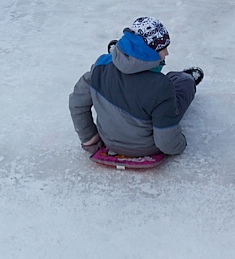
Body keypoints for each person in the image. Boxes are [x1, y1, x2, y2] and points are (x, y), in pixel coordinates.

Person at [69, 16, 204, 158]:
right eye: (163, 48)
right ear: (151, 52)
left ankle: (121, 55)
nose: (167, 53)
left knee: (112, 72)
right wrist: (180, 145)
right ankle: (188, 78)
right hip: (145, 147)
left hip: (109, 140)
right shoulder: (162, 86)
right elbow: (167, 143)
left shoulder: (99, 67)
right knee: (182, 83)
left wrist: (88, 136)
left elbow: (77, 102)